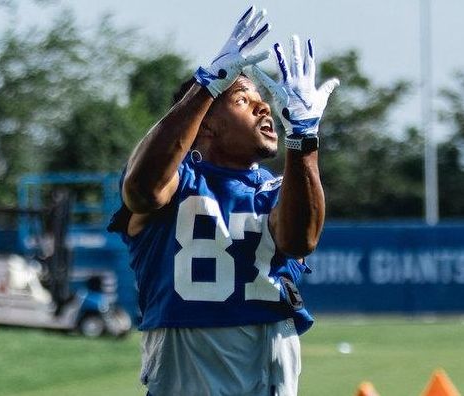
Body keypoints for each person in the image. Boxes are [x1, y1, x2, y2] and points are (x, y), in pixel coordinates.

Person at [107, 6, 339, 395]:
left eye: (262, 99)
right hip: (186, 365)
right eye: (243, 100)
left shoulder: (277, 188)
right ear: (206, 123)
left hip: (268, 358)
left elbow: (299, 241)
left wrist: (304, 138)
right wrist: (207, 85)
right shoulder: (176, 181)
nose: (265, 106)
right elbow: (143, 190)